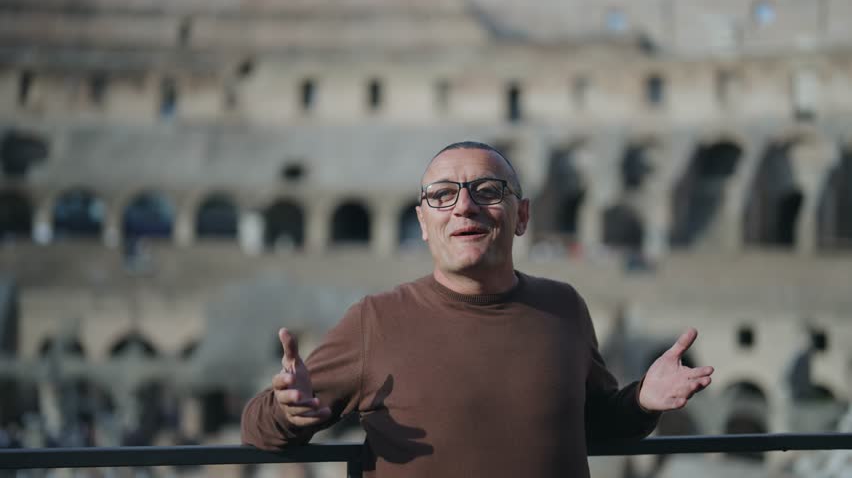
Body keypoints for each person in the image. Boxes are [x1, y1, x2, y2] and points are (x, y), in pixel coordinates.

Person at [241, 141, 714, 478]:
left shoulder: (563, 307)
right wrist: (288, 411)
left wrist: (642, 401)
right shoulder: (374, 321)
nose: (463, 207)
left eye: (487, 191)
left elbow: (593, 424)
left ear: (522, 216)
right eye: (442, 195)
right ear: (424, 223)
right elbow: (258, 430)